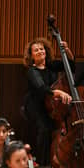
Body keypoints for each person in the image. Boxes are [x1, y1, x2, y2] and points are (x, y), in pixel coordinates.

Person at [22, 37, 75, 167]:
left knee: (58, 129)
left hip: (52, 105)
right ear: (31, 56)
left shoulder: (51, 65)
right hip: (36, 105)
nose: (40, 51)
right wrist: (60, 93)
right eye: (36, 50)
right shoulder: (32, 71)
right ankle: (42, 163)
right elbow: (42, 89)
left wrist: (67, 50)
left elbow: (71, 65)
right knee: (45, 129)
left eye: (42, 48)